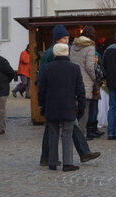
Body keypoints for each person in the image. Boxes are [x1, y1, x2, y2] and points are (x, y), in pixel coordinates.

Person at [39, 25, 100, 164]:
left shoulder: (60, 52)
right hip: (57, 97)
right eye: (65, 38)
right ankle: (48, 157)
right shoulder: (52, 54)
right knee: (60, 126)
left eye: (67, 38)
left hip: (57, 97)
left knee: (62, 126)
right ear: (58, 39)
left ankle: (50, 157)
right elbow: (44, 75)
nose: (68, 40)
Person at [38, 42, 87, 171]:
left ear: (55, 53)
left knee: (53, 134)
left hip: (51, 106)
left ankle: (53, 162)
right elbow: (80, 90)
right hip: (68, 106)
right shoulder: (74, 68)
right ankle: (68, 163)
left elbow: (41, 89)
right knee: (67, 134)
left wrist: (41, 105)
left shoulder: (47, 68)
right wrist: (82, 106)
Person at [69, 26, 104, 158]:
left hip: (73, 83)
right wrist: (95, 79)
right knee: (84, 115)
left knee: (75, 114)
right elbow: (90, 68)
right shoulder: (90, 47)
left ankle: (80, 145)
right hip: (86, 85)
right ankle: (82, 146)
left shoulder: (73, 46)